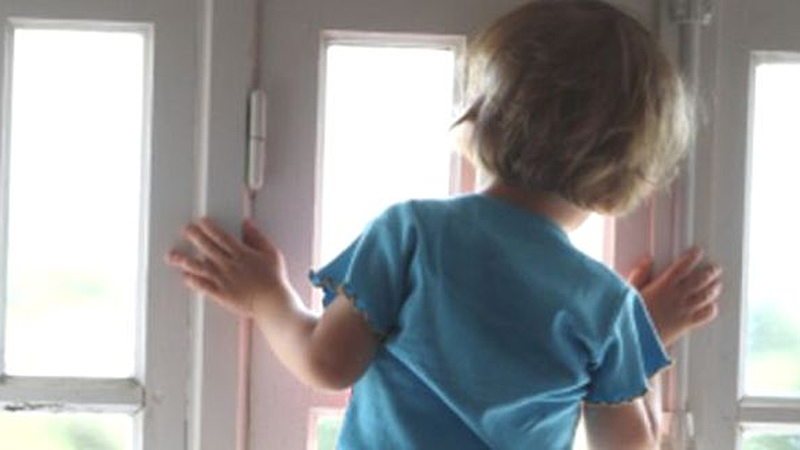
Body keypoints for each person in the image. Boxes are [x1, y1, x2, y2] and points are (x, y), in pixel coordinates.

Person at [166, 1, 722, 448]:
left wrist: (266, 295)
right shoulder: (608, 305)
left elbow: (327, 362)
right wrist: (640, 342)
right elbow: (629, 446)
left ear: (479, 116)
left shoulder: (413, 232)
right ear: (626, 179)